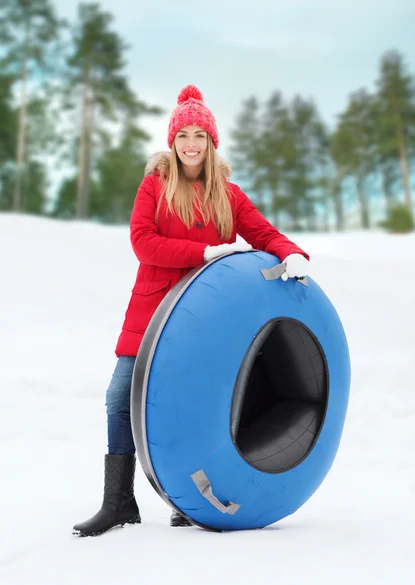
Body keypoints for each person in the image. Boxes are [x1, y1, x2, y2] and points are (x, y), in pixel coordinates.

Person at [73, 85, 310, 537]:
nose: (192, 144)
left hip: (207, 323)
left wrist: (291, 253)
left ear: (212, 141)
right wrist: (201, 253)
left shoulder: (230, 195)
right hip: (153, 312)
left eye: (201, 135)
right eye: (184, 135)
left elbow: (264, 234)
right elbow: (142, 241)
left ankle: (189, 501)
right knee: (120, 398)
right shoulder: (155, 186)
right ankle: (119, 501)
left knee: (196, 404)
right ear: (173, 141)